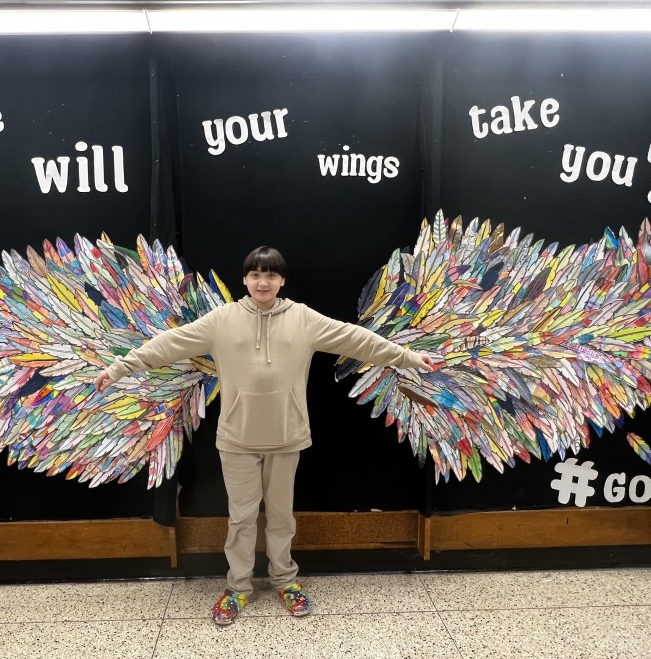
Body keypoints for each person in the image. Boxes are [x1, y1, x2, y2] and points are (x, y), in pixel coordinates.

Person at [96, 246, 435, 625]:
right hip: (237, 438)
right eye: (256, 275)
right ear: (245, 279)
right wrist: (119, 368)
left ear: (281, 280)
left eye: (270, 275)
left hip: (287, 436)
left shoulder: (304, 318)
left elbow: (356, 339)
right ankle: (238, 587)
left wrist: (406, 357)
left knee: (280, 517)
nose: (263, 282)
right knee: (241, 518)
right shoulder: (221, 320)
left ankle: (285, 580)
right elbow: (170, 344)